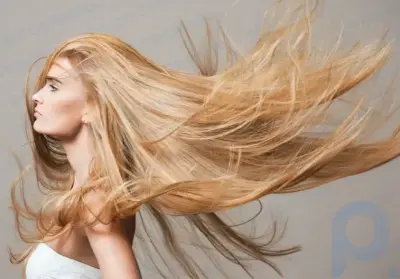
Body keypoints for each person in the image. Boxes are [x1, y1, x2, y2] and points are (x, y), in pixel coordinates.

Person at [8, 2, 400, 279]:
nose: (36, 97)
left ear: (94, 107)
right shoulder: (87, 193)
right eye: (44, 85)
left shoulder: (97, 200)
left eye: (55, 86)